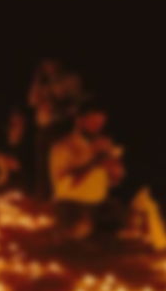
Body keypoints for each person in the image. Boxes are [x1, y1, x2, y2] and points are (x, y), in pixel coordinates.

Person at [49, 102, 124, 240]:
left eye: (101, 123)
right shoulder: (64, 145)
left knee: (129, 221)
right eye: (94, 122)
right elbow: (65, 182)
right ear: (80, 120)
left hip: (98, 204)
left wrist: (114, 166)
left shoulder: (103, 144)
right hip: (72, 204)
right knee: (80, 231)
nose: (98, 127)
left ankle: (97, 229)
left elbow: (114, 181)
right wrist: (95, 161)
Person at [28, 59, 84, 200]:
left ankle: (60, 194)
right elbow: (32, 101)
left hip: (61, 124)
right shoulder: (42, 82)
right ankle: (42, 193)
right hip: (43, 125)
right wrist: (37, 82)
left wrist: (54, 99)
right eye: (44, 64)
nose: (48, 67)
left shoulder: (70, 79)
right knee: (42, 161)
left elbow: (69, 100)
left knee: (59, 163)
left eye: (51, 63)